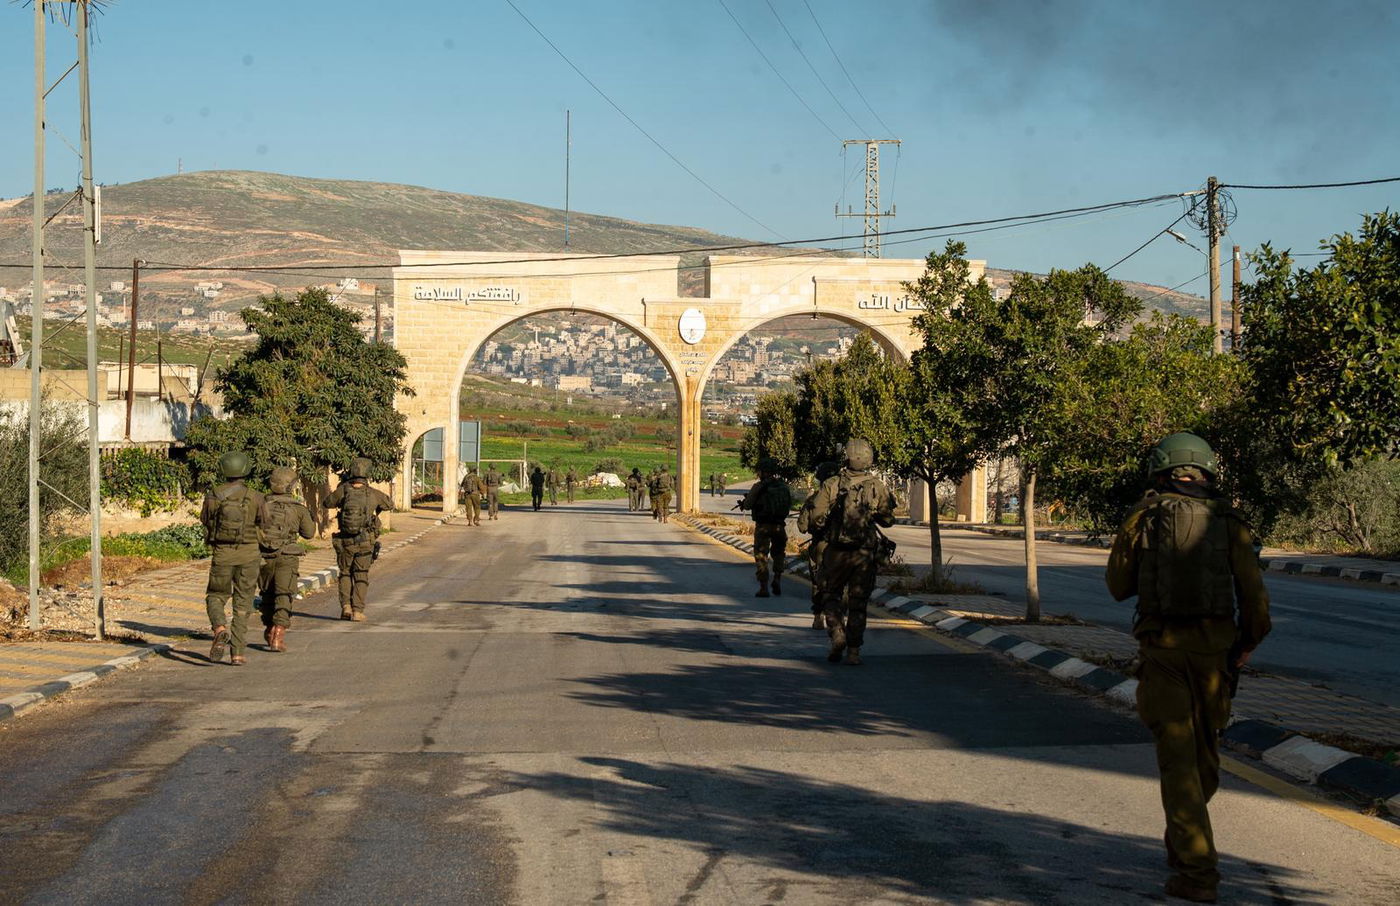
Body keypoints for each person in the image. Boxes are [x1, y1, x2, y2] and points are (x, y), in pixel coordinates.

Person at [1106, 432, 1271, 904]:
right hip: (1215, 655)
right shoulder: (1230, 523)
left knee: (1179, 765)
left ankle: (1197, 873)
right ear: (1206, 470)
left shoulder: (1143, 518)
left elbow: (1118, 587)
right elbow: (1255, 601)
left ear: (1161, 471)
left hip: (1162, 652)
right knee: (1204, 760)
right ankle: (1187, 850)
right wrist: (1245, 646)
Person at [805, 438, 895, 666]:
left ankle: (836, 632)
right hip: (864, 554)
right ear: (868, 458)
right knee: (858, 603)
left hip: (836, 551)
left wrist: (828, 526)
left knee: (831, 595)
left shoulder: (832, 484)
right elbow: (887, 521)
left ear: (846, 457)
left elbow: (815, 518)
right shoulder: (877, 486)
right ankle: (854, 652)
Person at [201, 451, 264, 666]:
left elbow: (206, 521)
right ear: (246, 470)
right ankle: (237, 653)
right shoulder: (256, 497)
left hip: (222, 554)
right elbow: (264, 522)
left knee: (216, 595)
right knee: (243, 602)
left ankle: (219, 628)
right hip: (249, 555)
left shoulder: (213, 496)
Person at [324, 457, 394, 621]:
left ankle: (345, 607)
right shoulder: (373, 494)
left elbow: (327, 503)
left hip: (345, 541)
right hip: (365, 542)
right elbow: (389, 504)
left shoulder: (344, 490)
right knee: (361, 575)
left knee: (345, 573)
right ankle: (358, 611)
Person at [256, 466, 315, 653]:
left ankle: (268, 628)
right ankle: (278, 633)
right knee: (284, 594)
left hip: (263, 556)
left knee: (266, 594)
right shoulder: (298, 509)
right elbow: (309, 533)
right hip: (287, 556)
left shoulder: (260, 505)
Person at [739, 457, 792, 598]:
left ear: (763, 471)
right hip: (780, 526)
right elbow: (788, 506)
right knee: (779, 553)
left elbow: (748, 504)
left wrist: (745, 503)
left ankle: (763, 587)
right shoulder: (783, 487)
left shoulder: (758, 487)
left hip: (763, 526)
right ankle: (777, 578)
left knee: (761, 555)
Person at [796, 460, 840, 629]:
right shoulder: (850, 495)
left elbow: (802, 527)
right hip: (844, 547)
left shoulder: (814, 498)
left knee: (817, 583)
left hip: (821, 545)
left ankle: (818, 617)